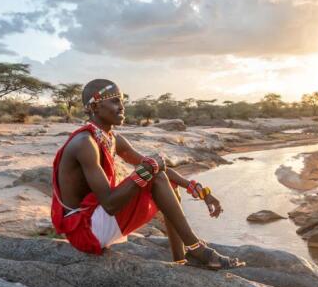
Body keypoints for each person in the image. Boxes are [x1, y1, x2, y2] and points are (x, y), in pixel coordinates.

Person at [51, 79, 245, 269]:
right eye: (114, 100)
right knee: (156, 177)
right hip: (86, 231)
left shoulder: (111, 138)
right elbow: (110, 204)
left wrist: (200, 191)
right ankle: (198, 250)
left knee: (162, 179)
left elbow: (156, 169)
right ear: (94, 107)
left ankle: (180, 259)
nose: (122, 107)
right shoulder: (85, 143)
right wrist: (148, 170)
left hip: (98, 220)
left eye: (122, 100)